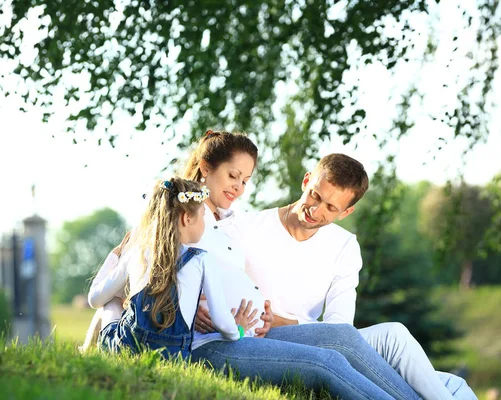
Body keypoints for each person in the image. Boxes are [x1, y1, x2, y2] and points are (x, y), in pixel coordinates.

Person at [87, 131, 422, 400]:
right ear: (206, 168)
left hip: (243, 332)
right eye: (234, 176)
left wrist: (251, 314)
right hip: (209, 343)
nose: (239, 187)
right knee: (326, 361)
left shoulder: (230, 223)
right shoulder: (180, 218)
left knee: (342, 337)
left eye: (245, 180)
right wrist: (192, 313)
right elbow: (139, 287)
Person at [206, 153, 476, 400]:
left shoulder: (344, 245)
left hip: (319, 338)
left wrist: (284, 321)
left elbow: (339, 327)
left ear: (346, 212)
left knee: (444, 376)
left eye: (331, 208)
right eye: (315, 196)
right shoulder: (248, 227)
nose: (316, 210)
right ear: (306, 181)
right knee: (447, 390)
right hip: (263, 338)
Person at [92, 178, 256, 359]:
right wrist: (239, 330)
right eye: (202, 216)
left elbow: (95, 300)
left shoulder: (137, 253)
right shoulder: (202, 260)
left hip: (125, 350)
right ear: (187, 218)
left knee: (111, 301)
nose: (204, 223)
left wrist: (116, 254)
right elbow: (222, 322)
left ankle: (92, 352)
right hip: (173, 357)